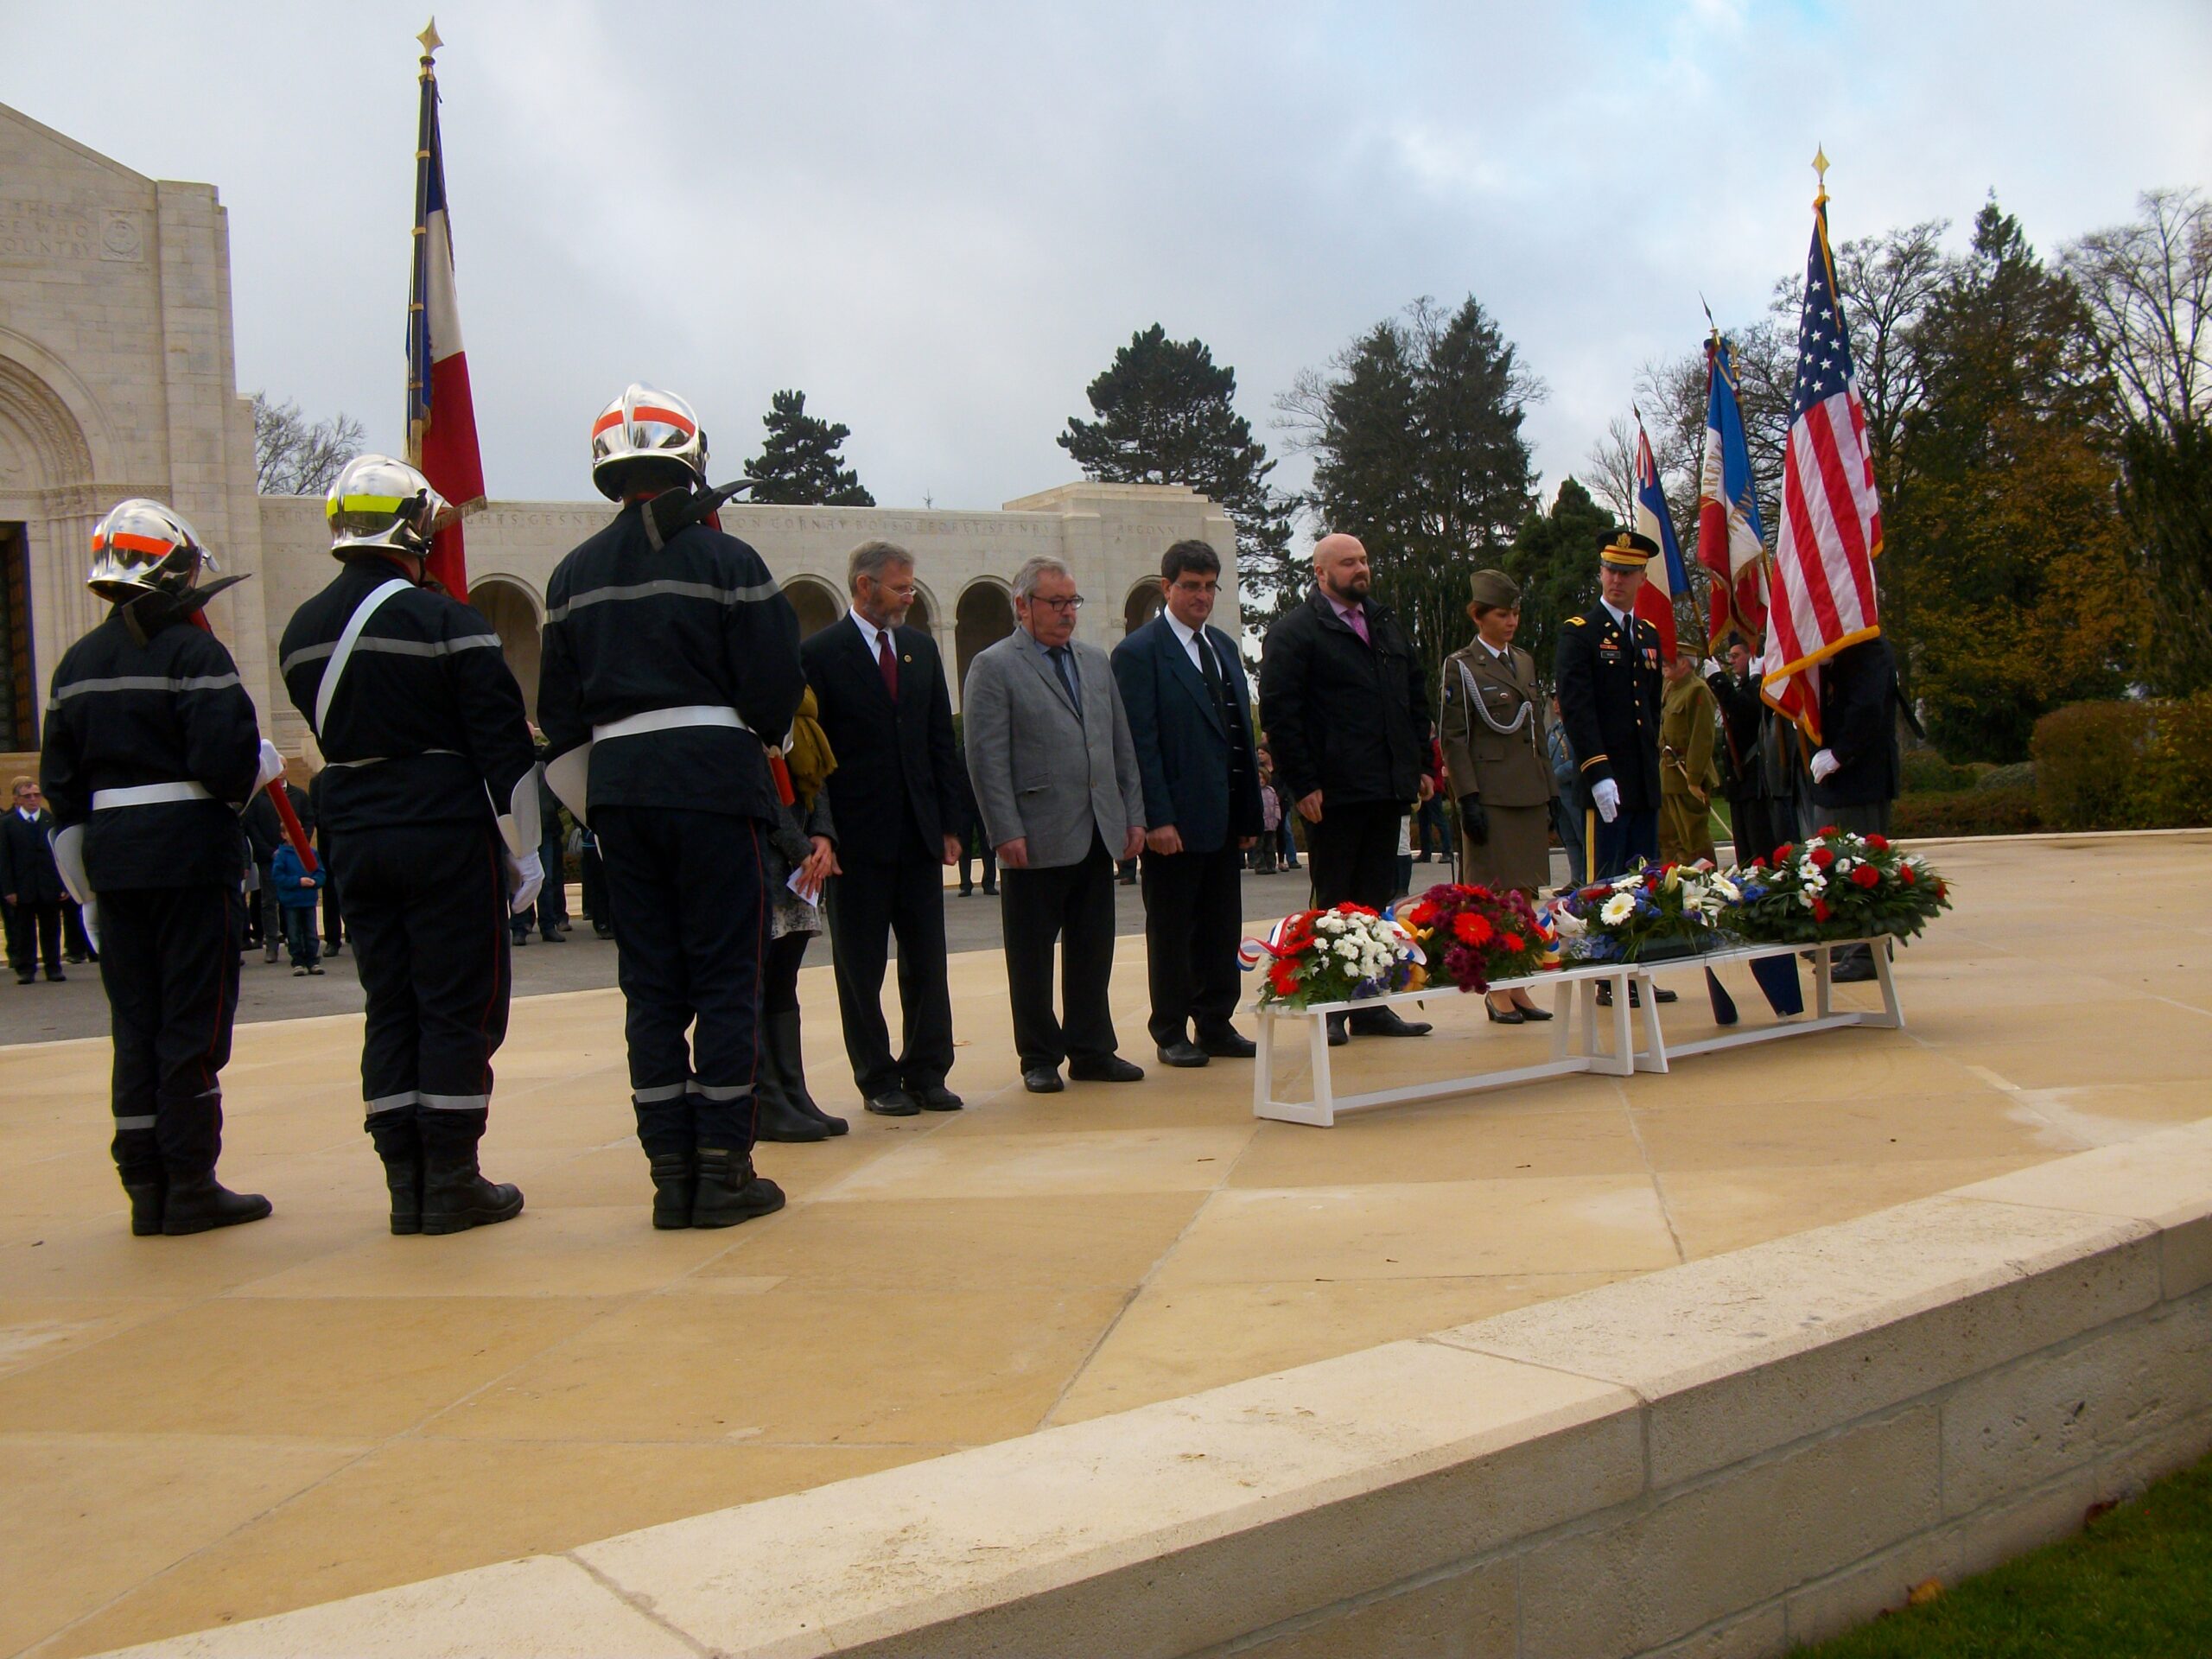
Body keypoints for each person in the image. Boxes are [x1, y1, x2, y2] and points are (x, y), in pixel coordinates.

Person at [538, 385, 804, 1229]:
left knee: (651, 985)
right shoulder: (730, 563)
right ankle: (725, 1169)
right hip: (715, 782)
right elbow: (774, 688)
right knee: (727, 975)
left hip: (620, 792)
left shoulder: (570, 576)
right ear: (690, 460)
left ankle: (669, 1175)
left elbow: (558, 708)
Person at [281, 454, 537, 1237]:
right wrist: (524, 848)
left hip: (355, 833)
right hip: (441, 831)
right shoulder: (445, 618)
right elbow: (500, 741)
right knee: (458, 1003)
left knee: (390, 1005)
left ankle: (406, 1181)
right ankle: (454, 1178)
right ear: (414, 531)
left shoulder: (301, 632)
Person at [41, 498, 276, 1236]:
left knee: (136, 1023)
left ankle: (145, 1184)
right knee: (192, 1023)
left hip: (113, 859)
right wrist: (253, 770)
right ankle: (191, 1179)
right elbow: (221, 761)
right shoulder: (194, 654)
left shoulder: (76, 664)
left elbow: (60, 781)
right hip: (186, 853)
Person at [963, 556, 1147, 1093]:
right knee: (1031, 952)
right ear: (1023, 605)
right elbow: (986, 757)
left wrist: (1132, 814)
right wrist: (1004, 829)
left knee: (1094, 947)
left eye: (1073, 602)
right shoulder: (994, 666)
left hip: (1097, 827)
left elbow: (1121, 746)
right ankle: (1039, 1056)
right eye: (1056, 602)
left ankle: (1092, 1049)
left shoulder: (1094, 661)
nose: (1068, 613)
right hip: (1033, 832)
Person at [799, 539, 965, 1117]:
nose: (909, 594)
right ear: (864, 586)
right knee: (860, 966)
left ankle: (929, 1069)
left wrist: (949, 821)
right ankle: (877, 1078)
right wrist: (822, 833)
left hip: (918, 833)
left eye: (911, 583)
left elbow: (939, 742)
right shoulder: (819, 653)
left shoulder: (920, 649)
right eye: (900, 585)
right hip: (856, 841)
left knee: (927, 960)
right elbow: (812, 757)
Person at [1256, 531, 1433, 1046]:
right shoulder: (1295, 632)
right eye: (1349, 562)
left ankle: (1373, 1006)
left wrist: (1421, 764)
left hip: (1385, 787)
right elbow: (1281, 714)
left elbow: (1414, 697)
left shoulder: (1386, 624)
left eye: (1364, 559)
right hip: (1332, 793)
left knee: (1378, 901)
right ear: (1321, 573)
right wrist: (1301, 783)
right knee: (1334, 905)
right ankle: (1329, 1006)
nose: (1361, 569)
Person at [1111, 539, 1264, 1069]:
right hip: (1172, 822)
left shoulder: (1222, 646)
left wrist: (1248, 813)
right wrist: (1156, 818)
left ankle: (1216, 1021)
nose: (1201, 596)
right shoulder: (1139, 653)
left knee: (1222, 925)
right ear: (1166, 587)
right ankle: (1171, 1029)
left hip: (1223, 819)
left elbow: (1239, 735)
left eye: (1209, 586)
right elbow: (1140, 743)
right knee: (1174, 930)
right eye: (1190, 586)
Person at [1554, 529, 1675, 1005]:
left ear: (1642, 577)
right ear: (1600, 572)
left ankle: (1640, 966)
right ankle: (1607, 973)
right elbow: (1578, 708)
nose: (1617, 580)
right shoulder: (1579, 631)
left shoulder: (1646, 635)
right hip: (1605, 779)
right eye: (1610, 570)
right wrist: (1597, 771)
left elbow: (1651, 710)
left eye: (1627, 573)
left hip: (1642, 779)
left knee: (1644, 876)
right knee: (1605, 879)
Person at [1439, 569, 1554, 1022]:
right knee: (1489, 898)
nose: (1511, 622)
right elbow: (1454, 736)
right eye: (1502, 614)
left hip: (1527, 790)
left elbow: (1534, 729)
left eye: (1515, 614)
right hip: (1490, 794)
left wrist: (1551, 787)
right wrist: (1466, 796)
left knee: (1524, 896)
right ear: (1478, 615)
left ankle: (1519, 983)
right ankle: (1494, 988)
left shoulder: (1522, 661)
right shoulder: (1462, 665)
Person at [753, 687, 846, 1140]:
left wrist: (824, 837)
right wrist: (801, 851)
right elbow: (762, 793)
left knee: (784, 980)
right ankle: (765, 1098)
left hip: (801, 866)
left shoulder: (801, 709)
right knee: (758, 980)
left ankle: (794, 1091)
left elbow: (816, 779)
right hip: (767, 862)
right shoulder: (751, 709)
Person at [1809, 633, 1904, 982]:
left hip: (1861, 776)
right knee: (1837, 864)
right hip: (1840, 779)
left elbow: (1868, 707)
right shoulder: (1845, 647)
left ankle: (1868, 951)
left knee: (1861, 866)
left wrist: (1840, 753)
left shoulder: (1870, 646)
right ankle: (1849, 940)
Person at [1706, 637, 1789, 868]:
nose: (1731, 661)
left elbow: (1746, 710)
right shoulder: (1746, 687)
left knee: (1760, 854)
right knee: (1746, 855)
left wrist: (1719, 681)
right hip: (1741, 783)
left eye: (1736, 656)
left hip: (1757, 782)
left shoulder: (1761, 687)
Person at [1659, 647, 1720, 866]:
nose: (1663, 662)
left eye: (1669, 659)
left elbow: (1702, 738)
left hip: (1687, 775)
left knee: (1693, 840)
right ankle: (1674, 886)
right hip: (1670, 774)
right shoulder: (1671, 688)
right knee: (1669, 840)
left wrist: (1694, 778)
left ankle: (1705, 887)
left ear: (1684, 663)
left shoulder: (1697, 690)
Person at [3, 777, 67, 983]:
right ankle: (26, 969)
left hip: (48, 884)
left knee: (51, 928)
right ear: (17, 799)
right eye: (27, 796)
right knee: (23, 930)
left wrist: (63, 884)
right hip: (23, 886)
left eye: (36, 795)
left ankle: (53, 967)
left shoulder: (50, 821)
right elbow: (4, 859)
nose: (33, 799)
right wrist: (8, 889)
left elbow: (60, 855)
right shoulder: (7, 824)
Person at [244, 772, 313, 964]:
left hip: (295, 855)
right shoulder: (258, 798)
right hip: (269, 857)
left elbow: (308, 820)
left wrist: (299, 844)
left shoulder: (298, 795)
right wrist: (268, 851)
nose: (279, 770)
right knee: (268, 902)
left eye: (282, 766)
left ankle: (296, 943)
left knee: (292, 900)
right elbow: (252, 827)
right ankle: (272, 945)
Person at [270, 834, 325, 975]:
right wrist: (298, 881)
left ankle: (313, 960)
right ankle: (298, 961)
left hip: (308, 900)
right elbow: (278, 877)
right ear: (283, 835)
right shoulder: (281, 855)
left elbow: (320, 872)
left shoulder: (311, 853)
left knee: (311, 932)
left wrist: (315, 881)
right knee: (294, 933)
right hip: (291, 901)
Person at [1546, 697, 1585, 890]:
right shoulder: (1554, 730)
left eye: (1561, 700)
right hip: (1558, 793)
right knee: (1568, 838)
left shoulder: (1575, 728)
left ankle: (1586, 878)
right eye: (1555, 700)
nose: (1557, 704)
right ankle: (1576, 878)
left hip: (1573, 790)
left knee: (1581, 836)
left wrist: (1556, 775)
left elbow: (1579, 759)